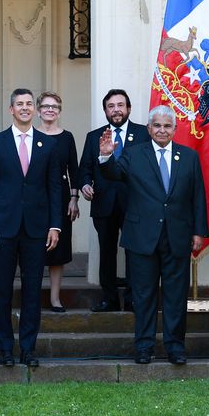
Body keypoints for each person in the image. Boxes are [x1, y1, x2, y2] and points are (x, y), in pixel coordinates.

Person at [98, 105, 208, 365]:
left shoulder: (189, 156)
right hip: (141, 237)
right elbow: (114, 174)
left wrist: (199, 231)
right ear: (149, 129)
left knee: (175, 296)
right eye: (157, 125)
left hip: (178, 236)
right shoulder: (134, 154)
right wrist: (105, 157)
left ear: (174, 129)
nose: (161, 130)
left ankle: (175, 347)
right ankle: (144, 347)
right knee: (144, 296)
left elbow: (198, 197)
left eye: (167, 126)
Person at [0, 89, 61, 367]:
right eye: (20, 104)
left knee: (32, 290)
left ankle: (28, 348)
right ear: (11, 109)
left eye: (29, 104)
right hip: (2, 228)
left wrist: (55, 225)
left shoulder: (48, 145)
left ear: (34, 109)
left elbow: (54, 188)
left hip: (37, 229)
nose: (25, 108)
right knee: (2, 290)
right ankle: (4, 348)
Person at [78, 89, 150, 312]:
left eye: (120, 105)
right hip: (104, 202)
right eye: (111, 106)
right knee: (106, 252)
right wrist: (85, 185)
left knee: (134, 253)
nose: (116, 110)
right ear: (105, 111)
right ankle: (108, 298)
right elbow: (84, 170)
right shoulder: (94, 136)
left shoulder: (143, 134)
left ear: (128, 108)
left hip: (135, 204)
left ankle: (132, 299)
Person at [35, 91, 80, 312]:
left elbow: (74, 169)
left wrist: (74, 199)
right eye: (45, 106)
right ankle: (31, 297)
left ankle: (55, 298)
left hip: (61, 198)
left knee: (58, 250)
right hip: (34, 197)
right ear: (38, 110)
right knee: (32, 248)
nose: (50, 110)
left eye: (54, 107)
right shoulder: (30, 134)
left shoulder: (67, 137)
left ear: (59, 112)